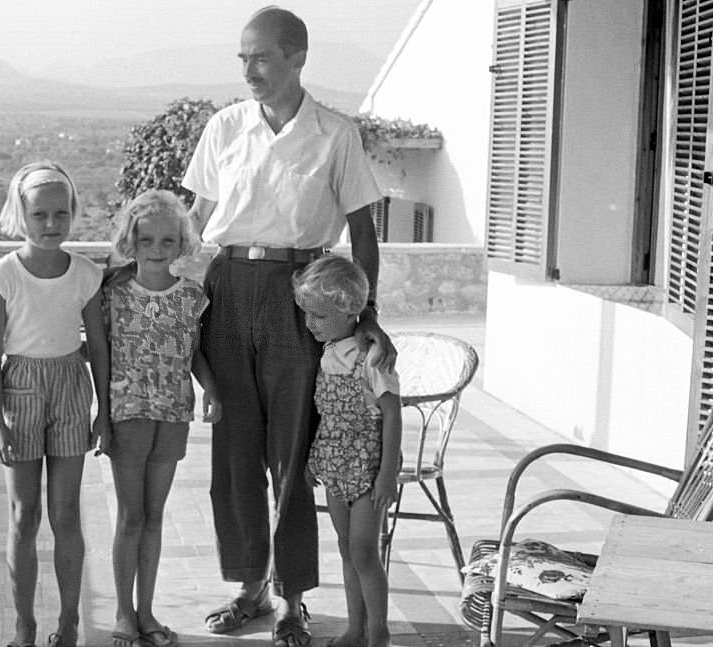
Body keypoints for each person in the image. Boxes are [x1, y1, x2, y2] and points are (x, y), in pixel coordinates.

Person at [180, 6, 397, 647]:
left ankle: (293, 598)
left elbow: (362, 231)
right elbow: (194, 223)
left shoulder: (335, 133)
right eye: (243, 57)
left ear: (298, 58)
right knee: (235, 451)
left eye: (262, 57)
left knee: (294, 452)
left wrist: (369, 313)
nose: (248, 69)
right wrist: (171, 300)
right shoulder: (224, 127)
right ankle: (248, 588)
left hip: (299, 294)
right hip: (226, 287)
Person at [0, 161, 110, 647]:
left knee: (67, 514)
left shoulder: (86, 274)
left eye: (61, 213)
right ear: (21, 214)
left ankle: (70, 622)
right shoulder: (0, 275)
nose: (51, 224)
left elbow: (98, 347)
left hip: (72, 387)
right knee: (22, 515)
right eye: (40, 215)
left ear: (73, 213)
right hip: (20, 389)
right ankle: (24, 625)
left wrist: (105, 414)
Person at [101, 189, 223, 647]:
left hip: (173, 414)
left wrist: (210, 387)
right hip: (128, 413)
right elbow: (95, 350)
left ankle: (147, 610)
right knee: (130, 516)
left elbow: (193, 353)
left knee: (155, 516)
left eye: (167, 241)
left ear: (181, 244)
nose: (156, 250)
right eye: (146, 240)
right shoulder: (111, 293)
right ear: (130, 241)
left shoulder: (191, 297)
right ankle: (121, 612)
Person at [293, 255, 401, 647]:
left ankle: (379, 633)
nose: (310, 324)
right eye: (307, 314)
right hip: (335, 466)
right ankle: (355, 628)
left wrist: (387, 473)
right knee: (345, 548)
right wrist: (313, 459)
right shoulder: (327, 352)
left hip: (369, 469)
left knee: (364, 551)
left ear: (348, 309)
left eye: (319, 317)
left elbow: (392, 414)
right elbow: (328, 416)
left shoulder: (373, 356)